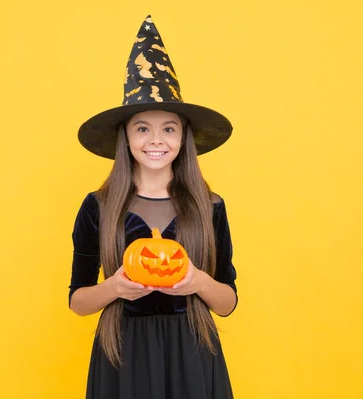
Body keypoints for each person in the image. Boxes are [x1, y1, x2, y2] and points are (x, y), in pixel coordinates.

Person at [69, 15, 238, 399]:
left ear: (183, 138)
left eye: (169, 128)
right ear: (126, 138)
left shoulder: (209, 206)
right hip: (123, 353)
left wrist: (198, 282)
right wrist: (114, 288)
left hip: (195, 351)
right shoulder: (99, 206)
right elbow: (78, 301)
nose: (156, 140)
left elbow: (227, 302)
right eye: (142, 128)